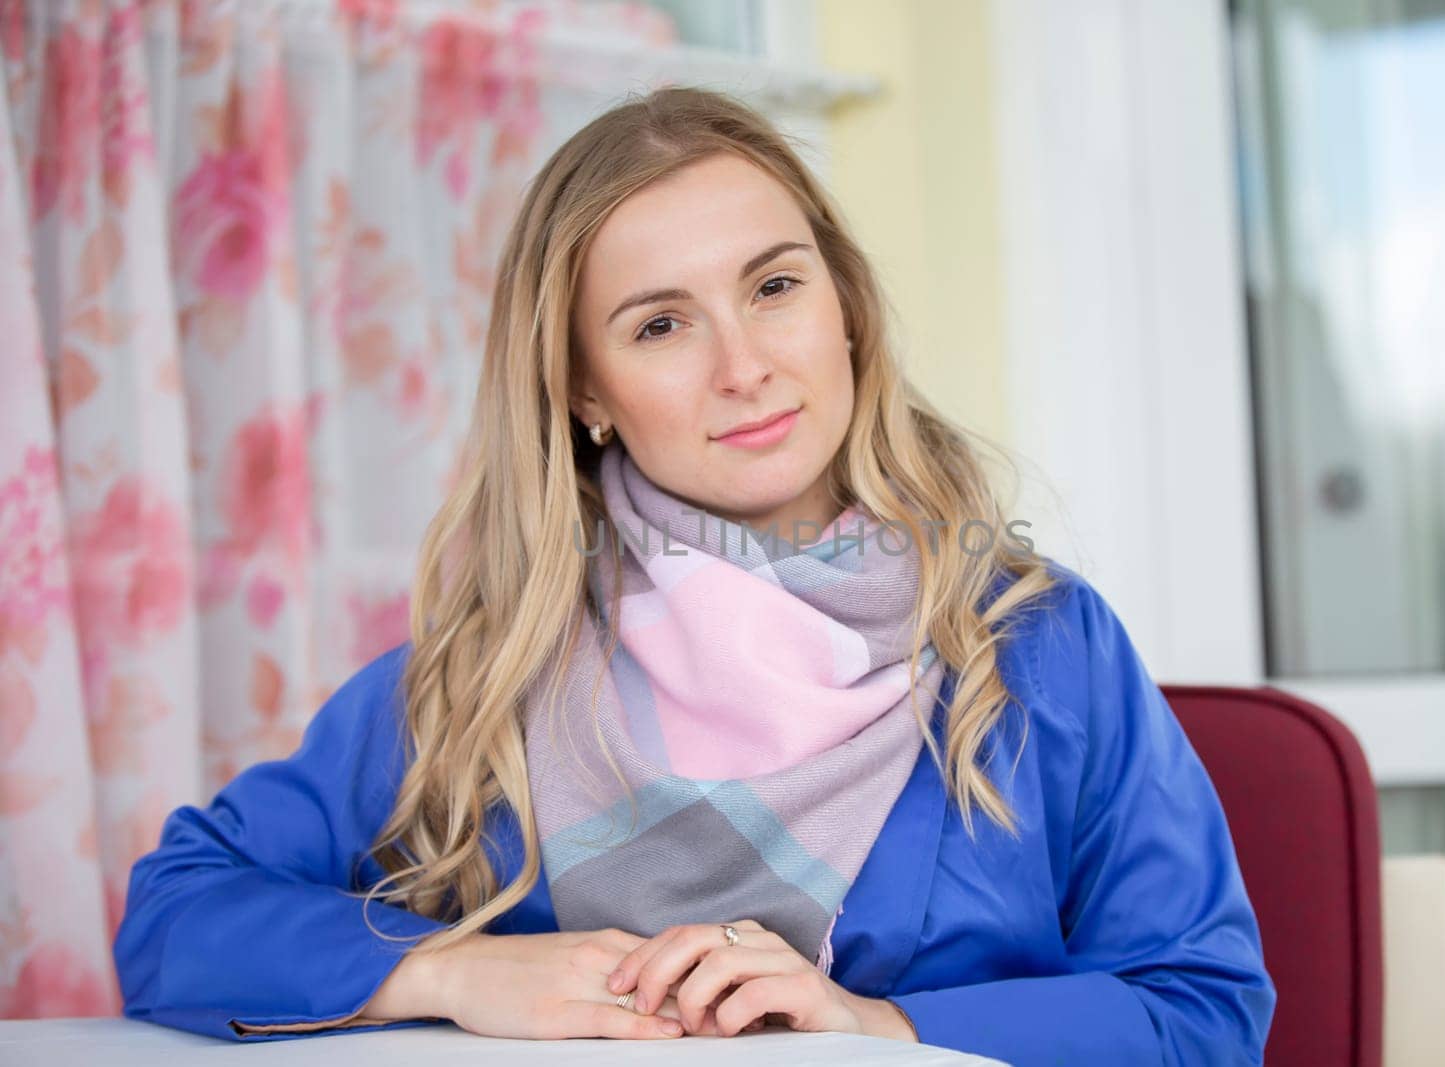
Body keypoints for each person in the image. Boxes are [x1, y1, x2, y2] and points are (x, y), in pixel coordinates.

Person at [112, 86, 1275, 1065]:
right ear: (583, 391)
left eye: (774, 286)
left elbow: (1201, 1006)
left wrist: (873, 1023)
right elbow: (176, 910)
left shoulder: (1038, 645)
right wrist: (451, 971)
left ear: (846, 309)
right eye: (660, 325)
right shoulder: (488, 673)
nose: (745, 366)